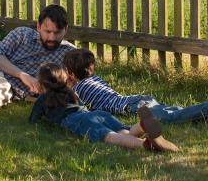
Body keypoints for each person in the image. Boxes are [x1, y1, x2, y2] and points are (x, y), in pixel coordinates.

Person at [63, 48, 208, 125]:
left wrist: (69, 87)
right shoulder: (96, 79)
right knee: (174, 111)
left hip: (133, 107)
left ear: (71, 73)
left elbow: (79, 107)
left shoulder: (79, 89)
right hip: (137, 99)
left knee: (170, 118)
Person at [30, 63, 179, 153]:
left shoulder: (44, 98)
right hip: (96, 114)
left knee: (110, 136)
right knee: (123, 131)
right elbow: (82, 106)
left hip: (77, 120)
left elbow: (33, 120)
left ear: (42, 84)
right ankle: (141, 126)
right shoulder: (71, 92)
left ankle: (145, 145)